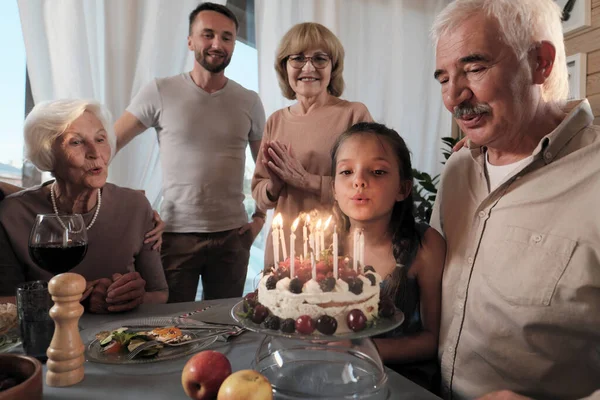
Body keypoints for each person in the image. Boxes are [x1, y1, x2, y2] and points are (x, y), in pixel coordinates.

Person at [430, 0, 600, 399]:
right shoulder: (457, 171)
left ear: (540, 62)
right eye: (442, 78)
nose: (454, 96)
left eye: (474, 68)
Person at [114, 2, 266, 302]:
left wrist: (259, 220)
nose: (216, 44)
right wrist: (136, 209)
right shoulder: (160, 90)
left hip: (233, 238)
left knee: (226, 328)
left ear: (234, 44)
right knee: (171, 329)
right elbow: (108, 144)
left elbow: (265, 169)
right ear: (190, 40)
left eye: (226, 37)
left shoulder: (249, 101)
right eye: (207, 34)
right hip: (174, 235)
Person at [0, 99, 169, 313]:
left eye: (100, 139)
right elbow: (3, 302)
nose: (95, 152)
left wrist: (134, 297)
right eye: (76, 142)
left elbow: (160, 294)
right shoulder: (13, 215)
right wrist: (71, 299)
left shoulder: (135, 207)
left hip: (120, 340)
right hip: (47, 340)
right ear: (48, 154)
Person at [331, 122, 446, 391]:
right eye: (346, 171)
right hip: (334, 375)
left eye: (378, 171)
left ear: (403, 189)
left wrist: (360, 349)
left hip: (401, 382)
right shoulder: (326, 246)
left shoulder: (425, 246)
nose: (359, 181)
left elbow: (432, 340)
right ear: (334, 189)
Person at [252, 22, 372, 268]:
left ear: (333, 67)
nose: (308, 67)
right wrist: (273, 187)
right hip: (283, 249)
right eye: (297, 58)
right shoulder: (276, 120)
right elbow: (260, 195)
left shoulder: (353, 114)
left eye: (320, 59)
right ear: (284, 67)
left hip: (336, 248)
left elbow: (368, 185)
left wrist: (308, 181)